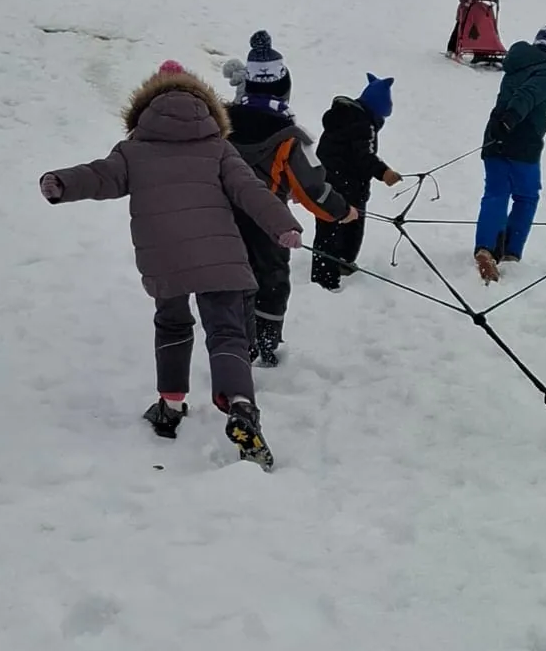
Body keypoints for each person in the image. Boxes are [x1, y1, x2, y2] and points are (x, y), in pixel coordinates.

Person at [41, 62, 300, 465]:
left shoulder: (133, 150)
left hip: (166, 257)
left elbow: (100, 176)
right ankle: (241, 405)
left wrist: (62, 182)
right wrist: (282, 225)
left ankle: (171, 405)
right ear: (205, 105)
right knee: (228, 333)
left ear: (146, 105)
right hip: (220, 255)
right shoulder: (218, 147)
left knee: (173, 325)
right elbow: (250, 190)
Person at [220, 35, 357, 367]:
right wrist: (342, 211)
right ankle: (265, 346)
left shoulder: (221, 124)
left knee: (229, 279)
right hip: (268, 224)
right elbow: (313, 188)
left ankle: (229, 340)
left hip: (220, 218)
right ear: (284, 88)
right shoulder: (289, 137)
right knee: (271, 279)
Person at [475, 25, 546, 283]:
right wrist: (511, 119)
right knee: (526, 197)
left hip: (494, 138)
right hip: (522, 146)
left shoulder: (519, 63)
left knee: (496, 194)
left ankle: (485, 248)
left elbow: (527, 102)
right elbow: (526, 96)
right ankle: (510, 252)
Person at [310, 77, 402, 289]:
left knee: (328, 226)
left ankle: (333, 267)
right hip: (348, 185)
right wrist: (384, 172)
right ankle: (329, 276)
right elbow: (364, 156)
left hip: (327, 181)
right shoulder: (363, 124)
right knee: (343, 227)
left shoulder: (346, 117)